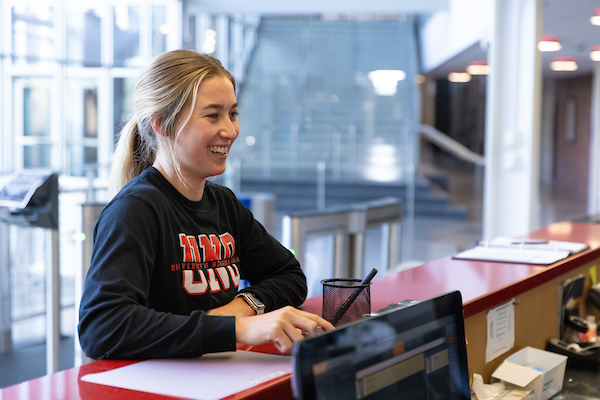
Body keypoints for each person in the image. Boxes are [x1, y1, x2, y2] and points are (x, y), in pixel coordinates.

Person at [78, 49, 334, 360]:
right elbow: (102, 327)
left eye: (232, 113)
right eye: (213, 115)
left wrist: (239, 310)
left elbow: (289, 275)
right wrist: (235, 329)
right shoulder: (135, 210)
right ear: (163, 124)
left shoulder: (223, 203)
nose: (230, 130)